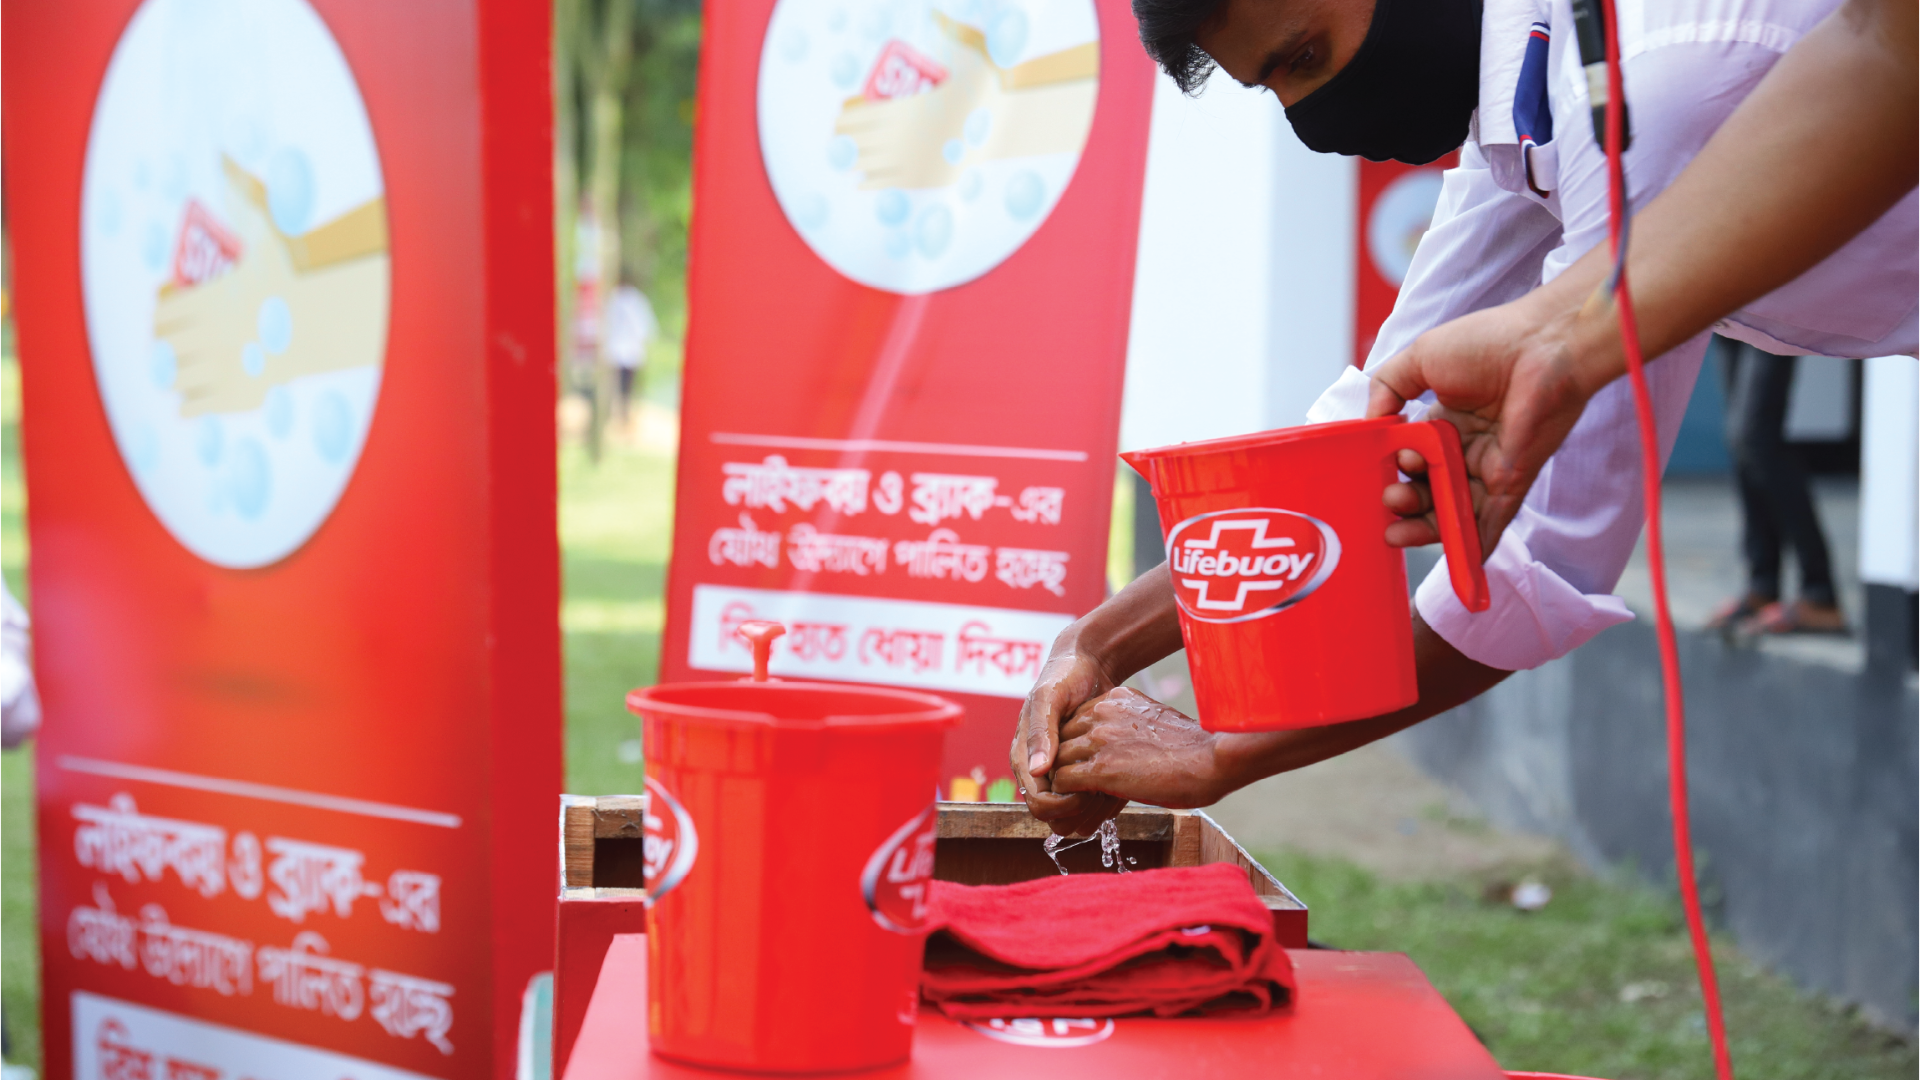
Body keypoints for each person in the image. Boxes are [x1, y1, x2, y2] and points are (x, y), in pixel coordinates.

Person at [1013, 0, 1917, 836]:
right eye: (1276, 86)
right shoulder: (1524, 102)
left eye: (1308, 56)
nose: (1315, 114)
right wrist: (1092, 643)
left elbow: (1540, 567)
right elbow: (1355, 440)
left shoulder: (1629, 90)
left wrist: (1221, 753)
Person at [1363, 0, 1916, 555]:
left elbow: (1564, 550)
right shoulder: (1530, 102)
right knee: (1750, 435)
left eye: (1305, 58)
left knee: (1756, 434)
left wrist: (1559, 340)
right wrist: (1554, 340)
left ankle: (1807, 592)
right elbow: (1881, 48)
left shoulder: (1635, 78)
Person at [1710, 337, 1845, 635]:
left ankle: (1820, 593)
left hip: (1769, 302)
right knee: (1740, 442)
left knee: (1755, 439)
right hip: (1726, 306)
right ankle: (1763, 585)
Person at [604, 281, 657, 424]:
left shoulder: (612, 298)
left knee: (616, 385)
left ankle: (616, 415)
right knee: (624, 386)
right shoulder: (636, 299)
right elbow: (645, 328)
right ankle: (621, 415)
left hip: (615, 350)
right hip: (626, 351)